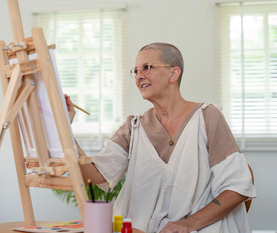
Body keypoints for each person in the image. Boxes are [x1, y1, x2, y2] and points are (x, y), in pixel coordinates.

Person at [64, 42, 257, 233]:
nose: (139, 76)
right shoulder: (134, 126)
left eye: (146, 68)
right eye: (136, 71)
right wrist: (63, 127)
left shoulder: (207, 116)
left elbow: (238, 187)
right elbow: (96, 174)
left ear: (173, 74)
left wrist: (188, 224)